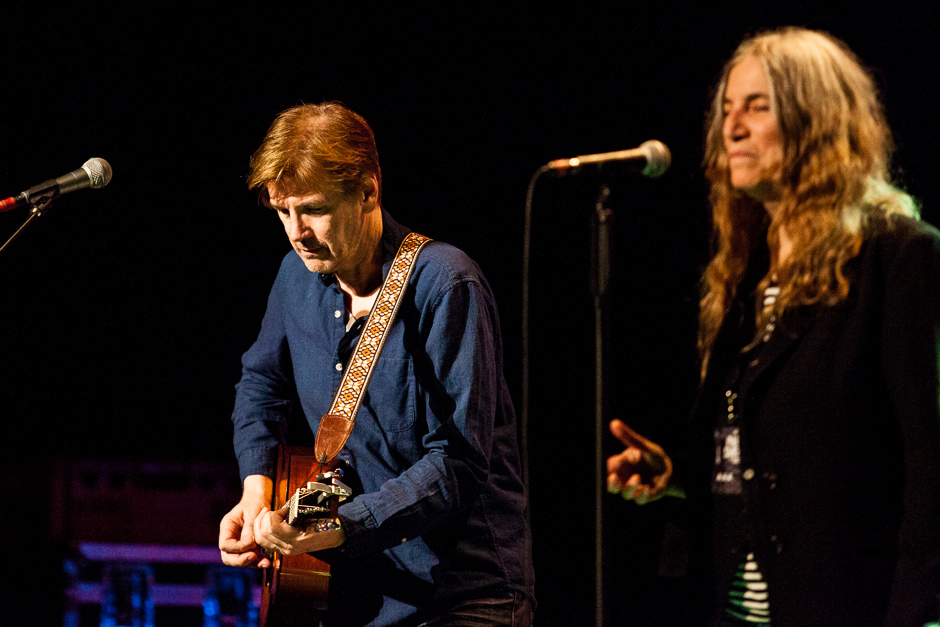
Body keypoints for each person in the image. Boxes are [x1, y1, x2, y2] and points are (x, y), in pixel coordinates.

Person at [606, 27, 940, 627]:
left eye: (758, 108)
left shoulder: (898, 256)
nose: (731, 128)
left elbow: (930, 464)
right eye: (728, 110)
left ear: (816, 121)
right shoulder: (748, 276)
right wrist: (680, 476)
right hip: (739, 610)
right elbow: (774, 454)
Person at [218, 101, 535, 626]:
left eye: (313, 209)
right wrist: (258, 487)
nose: (297, 232)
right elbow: (260, 382)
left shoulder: (446, 283)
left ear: (368, 191)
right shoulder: (294, 279)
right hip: (358, 596)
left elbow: (459, 461)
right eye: (282, 211)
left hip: (463, 597)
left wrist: (344, 526)